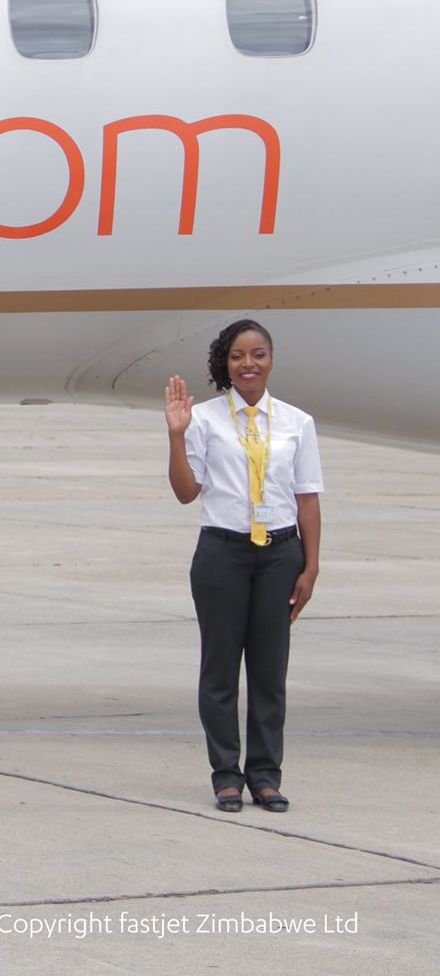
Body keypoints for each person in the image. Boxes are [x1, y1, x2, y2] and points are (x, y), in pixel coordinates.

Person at [165, 318, 323, 813]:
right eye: (237, 356)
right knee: (220, 670)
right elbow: (186, 492)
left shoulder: (297, 422)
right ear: (225, 363)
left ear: (271, 360)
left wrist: (311, 566)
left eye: (257, 355)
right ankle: (226, 776)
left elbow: (307, 497)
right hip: (223, 554)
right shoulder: (204, 418)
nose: (248, 364)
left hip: (280, 554)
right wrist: (176, 436)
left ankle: (266, 775)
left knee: (269, 672)